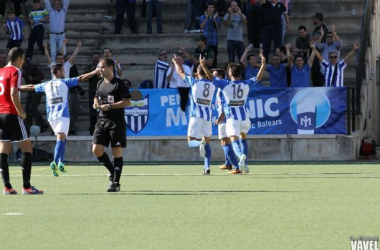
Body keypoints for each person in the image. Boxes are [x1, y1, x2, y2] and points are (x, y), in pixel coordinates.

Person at [21, 64, 100, 177]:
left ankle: (60, 162)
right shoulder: (65, 82)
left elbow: (31, 87)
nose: (64, 72)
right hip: (62, 114)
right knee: (60, 138)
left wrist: (17, 87)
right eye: (62, 70)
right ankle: (55, 161)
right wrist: (94, 72)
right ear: (58, 72)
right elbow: (81, 78)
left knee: (63, 138)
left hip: (51, 116)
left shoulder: (46, 84)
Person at [203, 58, 266, 174]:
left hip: (232, 118)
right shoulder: (246, 84)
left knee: (234, 141)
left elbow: (211, 77)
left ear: (230, 73)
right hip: (245, 117)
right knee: (243, 138)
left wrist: (203, 65)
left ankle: (241, 156)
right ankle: (245, 165)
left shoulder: (226, 84)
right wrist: (263, 64)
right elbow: (259, 77)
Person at [0, 47, 43, 195]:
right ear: (18, 59)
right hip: (11, 114)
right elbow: (12, 93)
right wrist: (20, 112)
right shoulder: (15, 71)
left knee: (4, 149)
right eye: (23, 59)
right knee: (27, 148)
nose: (23, 62)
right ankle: (27, 187)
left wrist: (21, 87)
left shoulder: (1, 71)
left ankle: (7, 187)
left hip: (0, 114)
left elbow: (7, 89)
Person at [172, 55, 217, 174]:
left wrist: (176, 62)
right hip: (207, 116)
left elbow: (180, 72)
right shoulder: (212, 84)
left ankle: (200, 144)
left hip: (196, 115)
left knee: (191, 142)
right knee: (207, 142)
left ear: (197, 72)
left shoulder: (194, 82)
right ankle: (207, 167)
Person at [92, 58, 131, 192]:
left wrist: (110, 106)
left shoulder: (119, 84)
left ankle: (116, 183)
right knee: (96, 150)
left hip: (116, 122)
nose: (100, 70)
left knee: (116, 152)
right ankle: (112, 171)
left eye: (102, 67)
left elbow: (127, 102)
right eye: (99, 67)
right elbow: (96, 97)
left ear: (110, 68)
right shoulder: (100, 83)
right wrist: (96, 103)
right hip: (102, 121)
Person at [212, 68, 233, 171]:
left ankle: (235, 164)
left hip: (224, 118)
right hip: (225, 117)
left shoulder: (223, 89)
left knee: (224, 141)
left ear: (221, 76)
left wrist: (221, 116)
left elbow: (226, 104)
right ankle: (228, 163)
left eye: (215, 75)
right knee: (225, 141)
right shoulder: (221, 88)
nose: (213, 78)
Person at [22, 60, 48, 132]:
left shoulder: (32, 67)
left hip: (36, 89)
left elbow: (42, 76)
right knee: (27, 110)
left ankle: (43, 124)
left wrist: (33, 78)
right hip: (30, 90)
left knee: (32, 108)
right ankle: (27, 128)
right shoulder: (22, 68)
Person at [83, 52, 101, 135]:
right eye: (94, 57)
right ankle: (92, 128)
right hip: (92, 91)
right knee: (92, 111)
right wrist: (93, 72)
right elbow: (84, 76)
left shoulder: (102, 67)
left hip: (102, 90)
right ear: (92, 58)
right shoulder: (89, 67)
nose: (96, 59)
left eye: (97, 57)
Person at [200, 3, 220, 68]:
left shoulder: (217, 17)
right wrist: (206, 17)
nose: (210, 9)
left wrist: (214, 19)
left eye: (212, 7)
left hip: (214, 41)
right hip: (206, 42)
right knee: (205, 57)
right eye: (209, 7)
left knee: (214, 58)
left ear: (213, 9)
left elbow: (218, 27)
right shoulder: (203, 17)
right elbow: (201, 27)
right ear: (207, 9)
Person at [310, 12, 328, 87]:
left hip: (319, 54)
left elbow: (314, 40)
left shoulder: (322, 28)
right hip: (314, 53)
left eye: (314, 18)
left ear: (317, 19)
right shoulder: (316, 28)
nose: (313, 20)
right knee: (314, 74)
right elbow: (311, 41)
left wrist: (312, 40)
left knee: (318, 75)